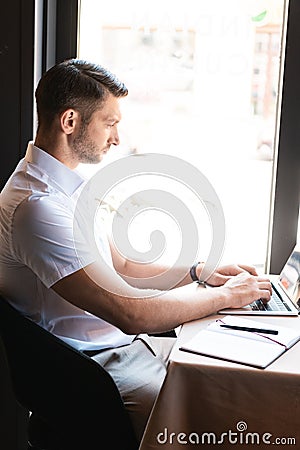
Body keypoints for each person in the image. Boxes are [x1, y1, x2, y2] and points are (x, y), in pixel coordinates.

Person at [0, 59, 272, 442]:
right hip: (93, 371)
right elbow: (132, 313)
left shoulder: (67, 186)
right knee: (225, 421)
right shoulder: (36, 207)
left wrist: (198, 272)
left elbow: (123, 264)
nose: (117, 138)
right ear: (70, 121)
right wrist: (225, 297)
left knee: (232, 385)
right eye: (110, 123)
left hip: (123, 348)